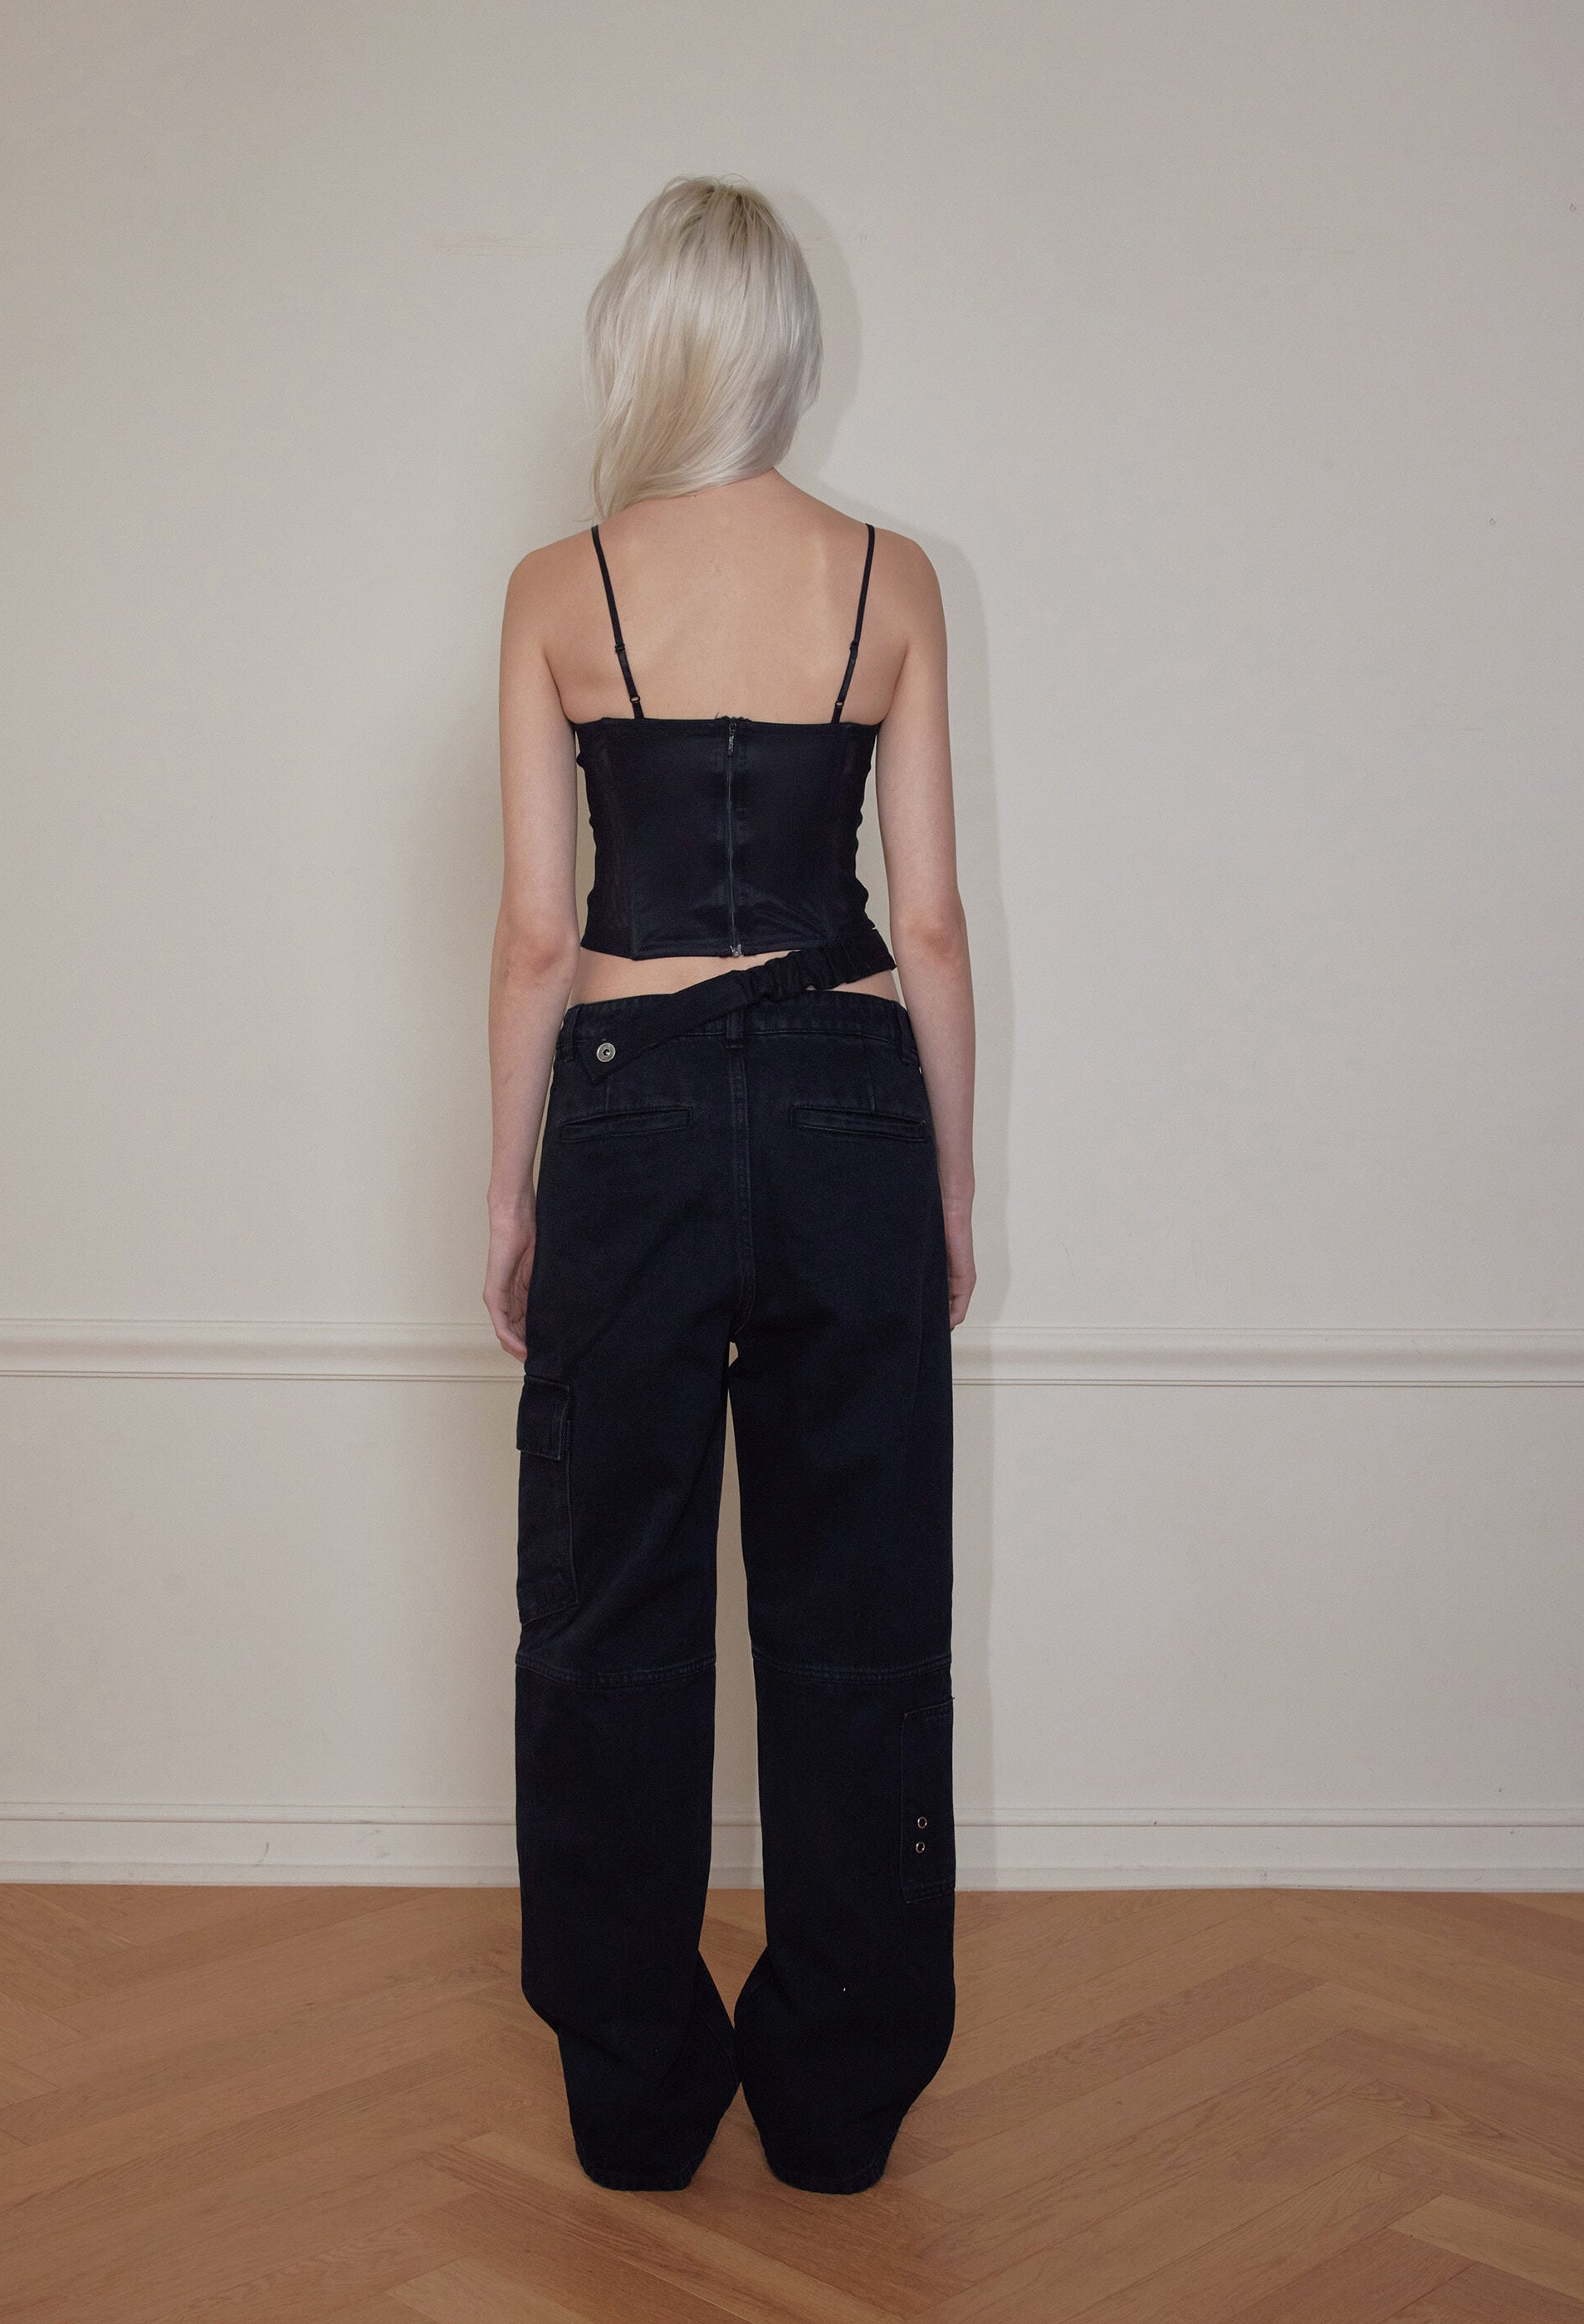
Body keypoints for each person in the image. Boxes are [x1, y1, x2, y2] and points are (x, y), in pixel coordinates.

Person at [485, 173, 976, 2196]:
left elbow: (539, 933)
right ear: (783, 345)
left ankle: (636, 2097)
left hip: (631, 1106)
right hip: (853, 1095)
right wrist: (947, 1183)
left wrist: (510, 1194)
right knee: (862, 1609)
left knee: (610, 1608)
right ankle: (839, 2103)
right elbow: (924, 925)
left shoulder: (557, 585)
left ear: (643, 340)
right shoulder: (890, 578)